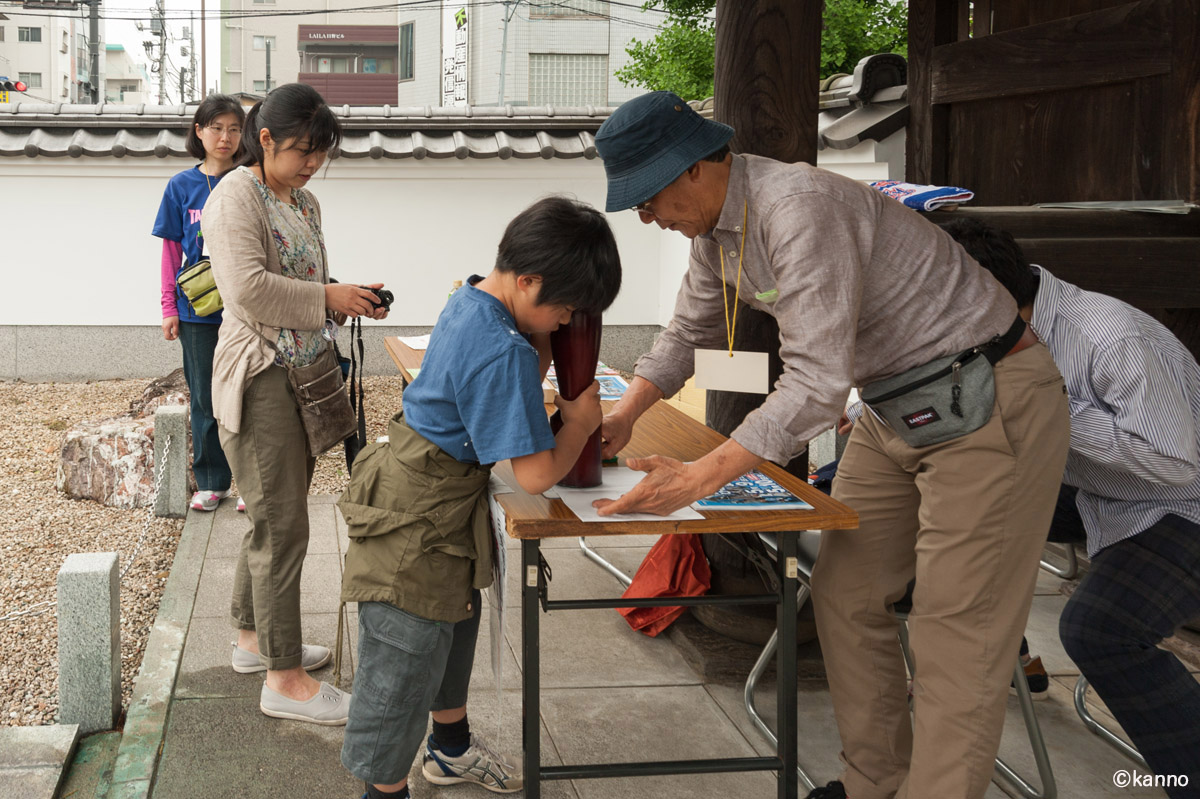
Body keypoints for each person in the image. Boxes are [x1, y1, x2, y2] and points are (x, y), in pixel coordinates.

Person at [591, 91, 1070, 799]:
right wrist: (623, 414)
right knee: (844, 592)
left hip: (989, 398)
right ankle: (873, 782)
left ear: (694, 167)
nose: (645, 216)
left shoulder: (797, 206)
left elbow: (815, 385)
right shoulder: (716, 231)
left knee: (954, 630)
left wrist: (699, 478)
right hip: (894, 407)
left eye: (648, 196)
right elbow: (687, 333)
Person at [338, 196, 622, 799]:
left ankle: (450, 748)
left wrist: (547, 337)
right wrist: (578, 422)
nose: (568, 320)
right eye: (566, 307)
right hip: (418, 515)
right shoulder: (504, 350)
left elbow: (518, 370)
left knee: (451, 625)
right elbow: (536, 475)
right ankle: (383, 792)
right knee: (404, 656)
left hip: (429, 487)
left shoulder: (472, 297)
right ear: (528, 281)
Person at [942, 217, 1200, 795]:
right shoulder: (993, 326)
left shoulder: (1110, 336)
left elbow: (1175, 463)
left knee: (1099, 632)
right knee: (951, 507)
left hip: (1181, 502)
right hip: (1096, 489)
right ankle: (1015, 659)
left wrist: (1043, 404)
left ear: (987, 298)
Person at [203, 83, 390, 725]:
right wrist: (329, 299)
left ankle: (253, 641)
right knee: (284, 527)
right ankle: (283, 677)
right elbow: (249, 292)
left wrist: (346, 294)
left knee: (271, 519)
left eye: (321, 153)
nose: (312, 163)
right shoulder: (233, 197)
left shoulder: (303, 201)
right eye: (302, 150)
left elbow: (308, 282)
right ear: (265, 140)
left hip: (302, 372)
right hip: (260, 377)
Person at [152, 94, 245, 513]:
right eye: (217, 128)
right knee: (205, 398)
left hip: (247, 307)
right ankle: (212, 481)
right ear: (199, 131)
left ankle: (254, 484)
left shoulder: (250, 179)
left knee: (253, 396)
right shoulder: (181, 186)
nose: (225, 137)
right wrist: (169, 307)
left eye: (234, 129)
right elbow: (172, 253)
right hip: (198, 311)